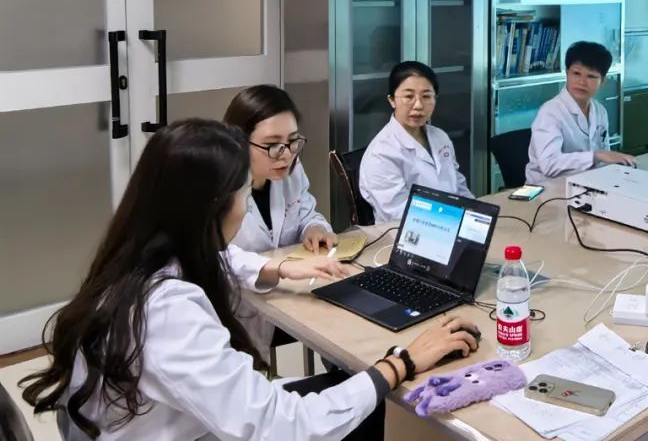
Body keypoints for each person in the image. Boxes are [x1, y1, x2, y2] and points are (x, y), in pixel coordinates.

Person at [20, 119, 479, 441]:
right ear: (209, 208)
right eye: (243, 192)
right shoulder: (168, 311)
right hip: (203, 430)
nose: (247, 204)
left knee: (353, 394)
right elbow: (281, 426)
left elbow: (228, 260)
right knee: (372, 401)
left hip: (181, 421)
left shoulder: (133, 263)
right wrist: (401, 362)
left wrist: (280, 268)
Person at [221, 85, 343, 355]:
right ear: (239, 141)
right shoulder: (219, 186)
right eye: (272, 145)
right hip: (229, 312)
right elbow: (214, 256)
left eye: (293, 141)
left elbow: (305, 210)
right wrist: (281, 267)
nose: (286, 154)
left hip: (284, 300)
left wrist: (314, 227)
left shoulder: (290, 169)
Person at [358, 61, 473, 223]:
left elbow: (459, 187)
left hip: (452, 223)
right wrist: (454, 219)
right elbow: (399, 213)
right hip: (405, 231)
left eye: (426, 96)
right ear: (392, 100)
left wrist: (476, 215)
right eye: (408, 96)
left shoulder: (440, 137)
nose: (418, 105)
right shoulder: (380, 154)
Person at [525, 41, 635, 183]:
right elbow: (549, 165)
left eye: (591, 76)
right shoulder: (550, 112)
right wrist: (595, 156)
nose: (582, 82)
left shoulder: (600, 111)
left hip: (586, 183)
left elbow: (605, 156)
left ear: (602, 81)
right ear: (567, 73)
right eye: (576, 73)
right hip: (547, 188)